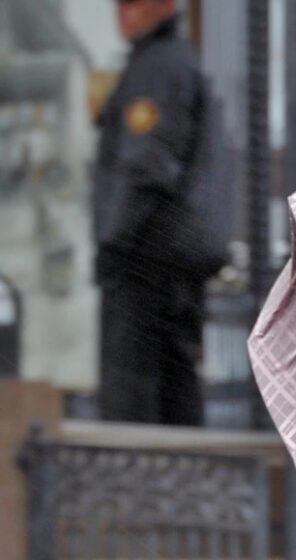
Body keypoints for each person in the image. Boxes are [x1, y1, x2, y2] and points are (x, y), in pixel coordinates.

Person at [93, 0, 213, 425]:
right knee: (170, 385)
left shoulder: (158, 68)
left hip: (145, 260)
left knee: (136, 395)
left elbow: (146, 165)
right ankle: (182, 486)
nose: (123, 13)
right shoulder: (163, 62)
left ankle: (143, 491)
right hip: (160, 257)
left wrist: (112, 241)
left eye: (135, 3)